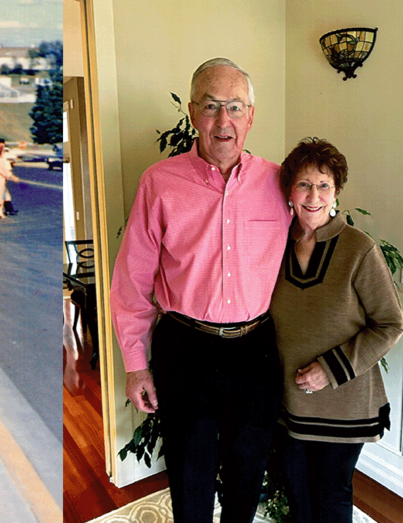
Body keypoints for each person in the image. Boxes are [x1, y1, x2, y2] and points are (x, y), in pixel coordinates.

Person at [110, 57, 291, 521]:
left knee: (248, 471)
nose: (223, 120)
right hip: (185, 347)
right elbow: (131, 279)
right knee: (189, 474)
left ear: (251, 115)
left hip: (256, 349)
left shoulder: (279, 182)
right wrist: (135, 365)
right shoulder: (159, 182)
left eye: (235, 106)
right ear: (193, 113)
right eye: (212, 106)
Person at [269, 137, 403, 523]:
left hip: (344, 404)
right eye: (304, 184)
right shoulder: (276, 245)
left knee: (330, 498)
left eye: (324, 185)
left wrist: (329, 369)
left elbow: (391, 324)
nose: (313, 196)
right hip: (290, 402)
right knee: (297, 496)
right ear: (290, 192)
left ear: (336, 192)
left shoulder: (359, 249)